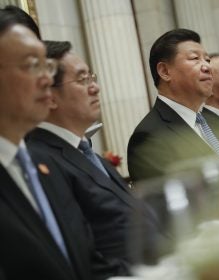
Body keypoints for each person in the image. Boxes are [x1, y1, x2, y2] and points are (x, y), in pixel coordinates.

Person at [26, 40, 166, 274]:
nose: (96, 87)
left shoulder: (87, 154)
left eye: (92, 77)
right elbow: (83, 256)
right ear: (49, 95)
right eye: (82, 80)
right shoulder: (41, 159)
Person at [0, 11, 95, 280]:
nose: (46, 80)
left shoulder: (47, 164)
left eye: (47, 66)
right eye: (32, 65)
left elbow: (88, 261)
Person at [127, 29, 219, 183]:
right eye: (195, 58)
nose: (207, 67)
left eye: (207, 60)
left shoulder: (216, 121)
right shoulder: (150, 137)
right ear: (165, 71)